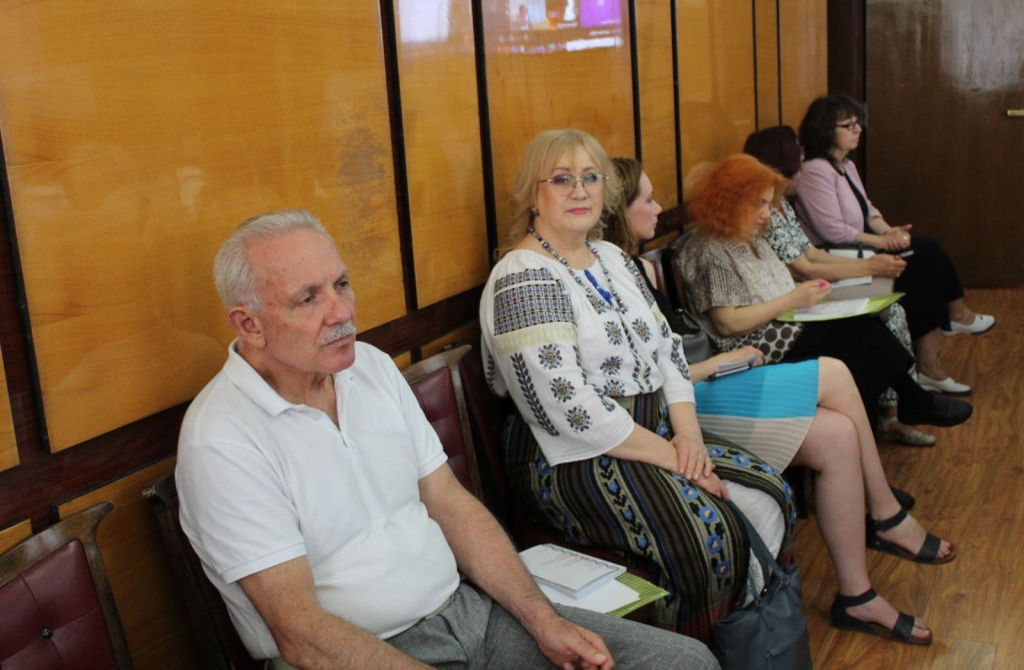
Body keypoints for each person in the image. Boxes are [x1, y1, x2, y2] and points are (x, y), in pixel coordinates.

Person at [176, 210, 719, 670]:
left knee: (686, 662)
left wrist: (543, 621)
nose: (341, 313)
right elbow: (301, 634)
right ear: (249, 325)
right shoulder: (221, 440)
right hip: (357, 656)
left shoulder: (370, 367)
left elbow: (450, 503)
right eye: (307, 299)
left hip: (465, 612)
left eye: (341, 285)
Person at [605, 156, 957, 645]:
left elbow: (664, 358)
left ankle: (857, 593)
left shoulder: (632, 268)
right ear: (616, 210)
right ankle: (885, 512)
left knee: (838, 428)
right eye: (647, 199)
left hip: (702, 379)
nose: (661, 208)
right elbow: (653, 372)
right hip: (696, 389)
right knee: (837, 367)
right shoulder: (620, 275)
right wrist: (719, 362)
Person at [480, 128, 797, 639]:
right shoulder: (522, 276)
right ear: (531, 195)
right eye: (561, 179)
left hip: (654, 431)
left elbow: (669, 352)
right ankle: (697, 653)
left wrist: (689, 437)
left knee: (770, 492)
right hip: (572, 456)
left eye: (591, 178)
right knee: (709, 529)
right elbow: (570, 409)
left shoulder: (612, 257)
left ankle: (753, 640)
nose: (580, 191)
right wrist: (677, 458)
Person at [678, 153, 972, 431]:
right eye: (759, 204)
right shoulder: (711, 251)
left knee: (863, 327)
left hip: (785, 326)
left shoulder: (750, 238)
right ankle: (908, 403)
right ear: (731, 201)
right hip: (756, 346)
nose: (767, 214)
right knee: (858, 337)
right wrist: (793, 298)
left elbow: (772, 288)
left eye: (768, 204)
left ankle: (900, 407)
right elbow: (728, 323)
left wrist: (802, 294)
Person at [744, 125, 941, 445]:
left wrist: (868, 267)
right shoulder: (767, 214)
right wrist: (868, 267)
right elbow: (804, 267)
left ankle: (895, 411)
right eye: (797, 150)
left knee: (893, 308)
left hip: (808, 290)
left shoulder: (782, 206)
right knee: (880, 320)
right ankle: (896, 410)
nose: (803, 156)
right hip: (802, 296)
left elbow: (812, 252)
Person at [795, 95, 995, 395]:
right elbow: (833, 231)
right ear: (825, 129)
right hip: (837, 258)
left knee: (924, 253)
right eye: (849, 125)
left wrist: (891, 232)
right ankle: (945, 337)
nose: (858, 129)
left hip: (860, 248)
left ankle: (942, 344)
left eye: (858, 122)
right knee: (921, 263)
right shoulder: (815, 170)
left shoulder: (846, 165)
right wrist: (882, 241)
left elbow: (869, 211)